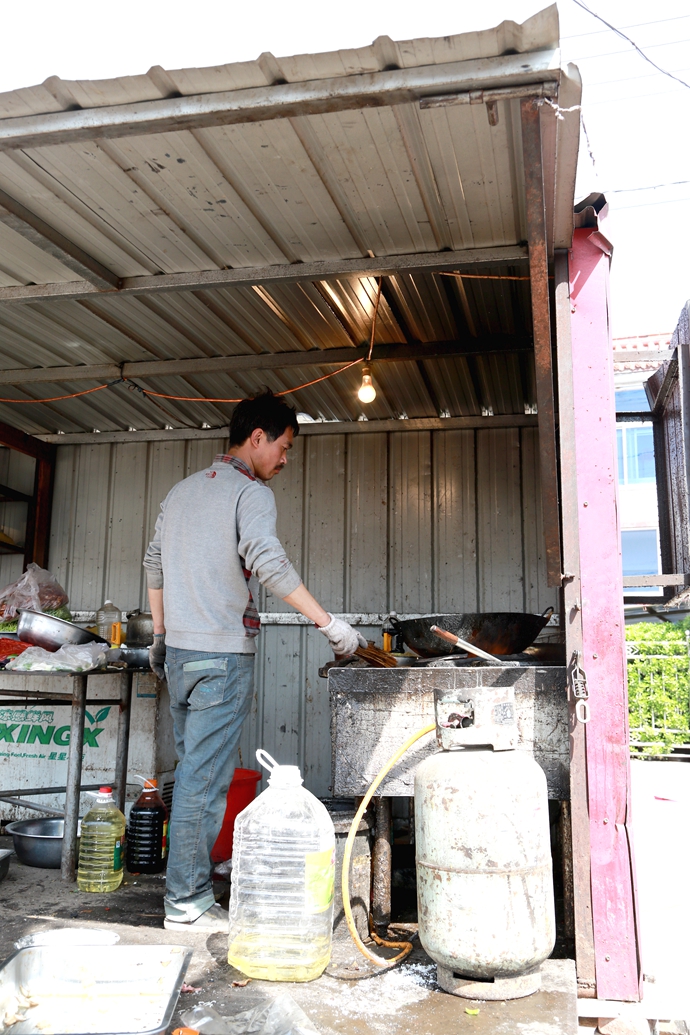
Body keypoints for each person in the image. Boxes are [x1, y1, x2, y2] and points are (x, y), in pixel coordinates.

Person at [142, 390, 365, 933]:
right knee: (203, 780)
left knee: (192, 771)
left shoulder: (181, 491)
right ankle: (186, 903)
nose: (285, 460)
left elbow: (154, 563)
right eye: (284, 447)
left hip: (180, 655)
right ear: (257, 437)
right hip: (221, 657)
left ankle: (187, 884)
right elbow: (265, 559)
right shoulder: (250, 493)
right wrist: (329, 623)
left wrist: (162, 634)